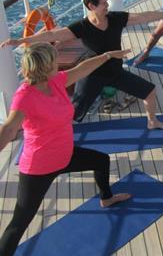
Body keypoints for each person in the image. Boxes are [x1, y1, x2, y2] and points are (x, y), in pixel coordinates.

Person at [0, 43, 132, 255]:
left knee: (101, 161)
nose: (58, 63)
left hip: (65, 154)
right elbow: (8, 130)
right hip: (39, 168)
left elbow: (81, 70)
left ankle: (106, 198)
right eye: (55, 60)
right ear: (47, 67)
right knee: (19, 223)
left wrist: (107, 55)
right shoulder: (25, 96)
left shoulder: (56, 82)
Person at [0, 0, 163, 128]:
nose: (108, 6)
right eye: (104, 3)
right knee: (73, 113)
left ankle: (152, 122)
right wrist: (20, 41)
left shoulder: (116, 18)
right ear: (91, 5)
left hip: (115, 71)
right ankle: (62, 133)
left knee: (150, 91)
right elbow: (52, 35)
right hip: (91, 74)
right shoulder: (81, 27)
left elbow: (144, 16)